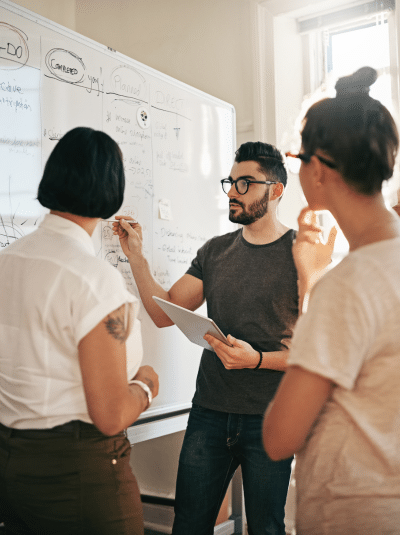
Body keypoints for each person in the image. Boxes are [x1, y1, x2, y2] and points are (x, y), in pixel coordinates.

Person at [113, 141, 299, 535]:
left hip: (270, 418)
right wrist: (137, 258)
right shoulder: (215, 252)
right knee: (189, 525)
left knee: (266, 528)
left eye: (245, 183)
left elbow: (316, 352)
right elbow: (165, 313)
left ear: (276, 190)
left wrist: (259, 360)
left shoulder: (302, 254)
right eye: (230, 182)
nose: (232, 191)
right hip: (209, 413)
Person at [0, 127, 159, 535]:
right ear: (111, 189)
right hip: (80, 474)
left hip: (12, 468)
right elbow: (109, 416)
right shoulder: (95, 280)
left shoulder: (7, 262)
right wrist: (145, 385)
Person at [263, 66, 400, 535]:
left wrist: (316, 283)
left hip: (354, 511)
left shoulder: (348, 284)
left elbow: (281, 437)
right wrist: (313, 275)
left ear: (317, 168)